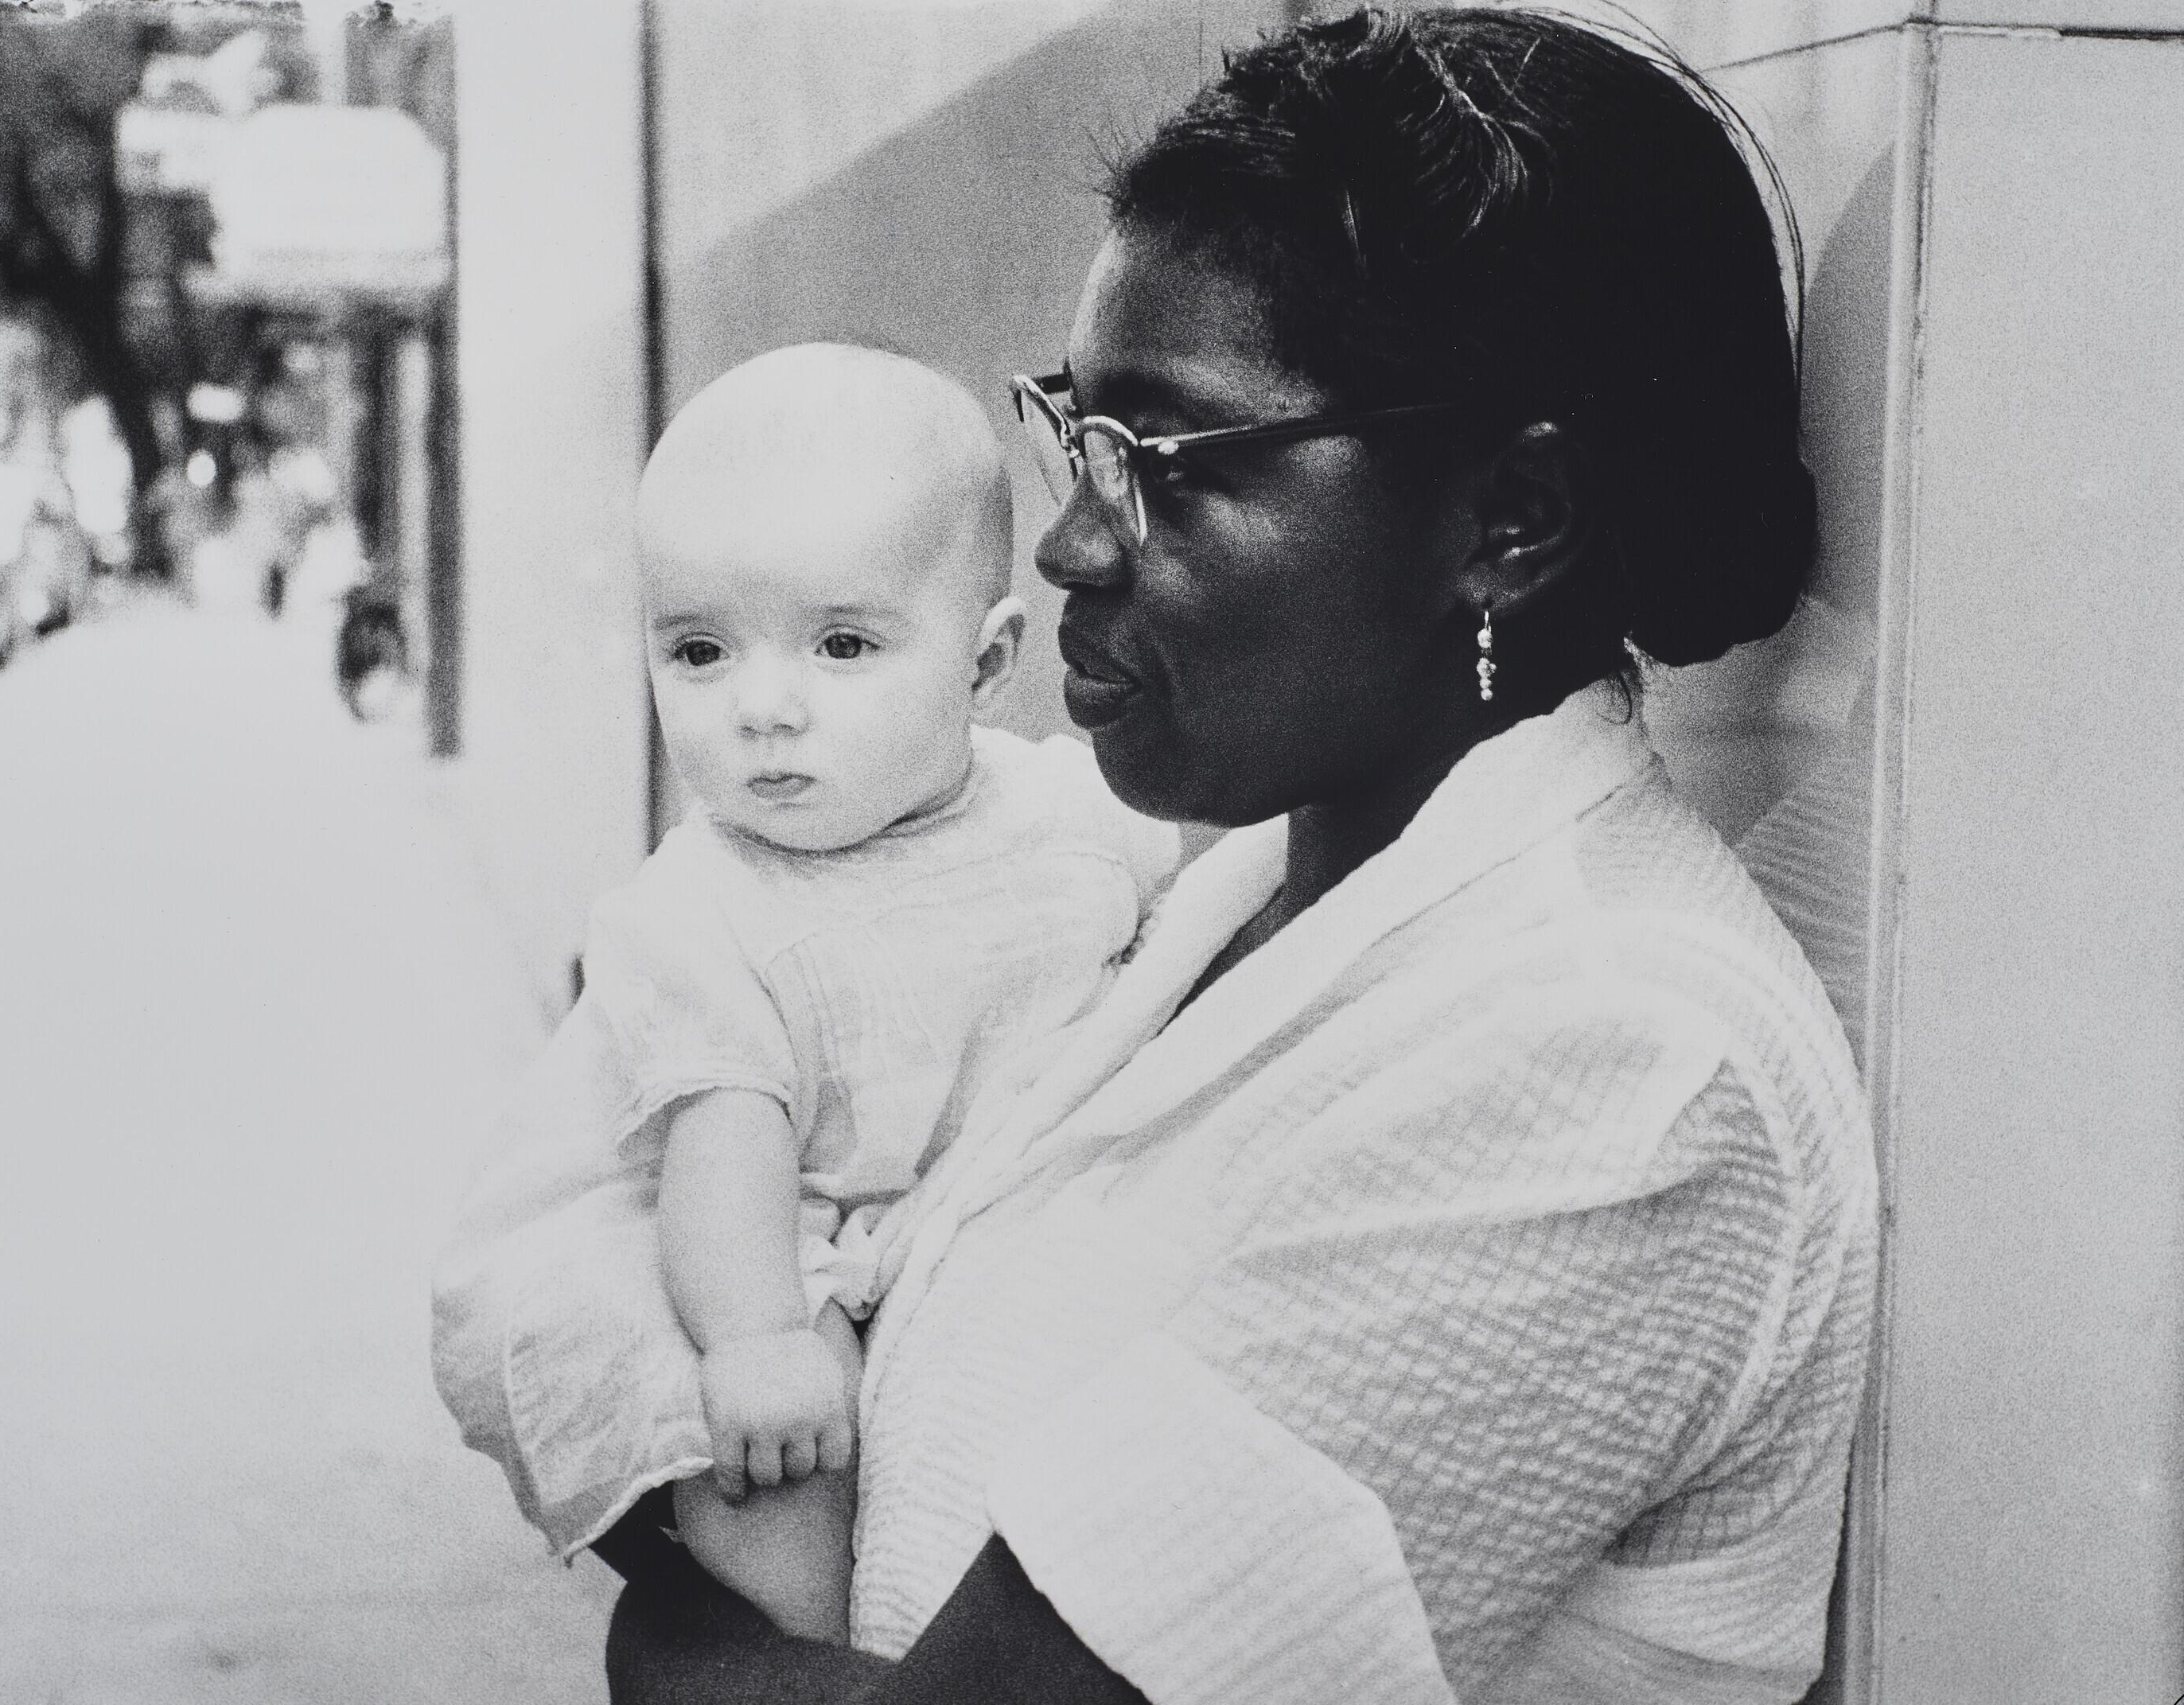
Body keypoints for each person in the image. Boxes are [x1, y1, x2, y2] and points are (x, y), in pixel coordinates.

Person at [582, 9, 1878, 1702]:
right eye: (1075, 433)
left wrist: (669, 1638)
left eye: (1165, 464)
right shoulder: (1229, 901)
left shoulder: (1620, 1072)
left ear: (1508, 522)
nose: (1064, 542)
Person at [430, 344, 1181, 1643]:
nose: (763, 708)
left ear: (986, 663)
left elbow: (1159, 953)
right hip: (783, 1240)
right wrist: (755, 1341)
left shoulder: (1068, 814)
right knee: (784, 1456)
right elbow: (728, 1146)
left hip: (978, 1205)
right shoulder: (702, 911)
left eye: (841, 646)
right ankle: (818, 1647)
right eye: (702, 652)